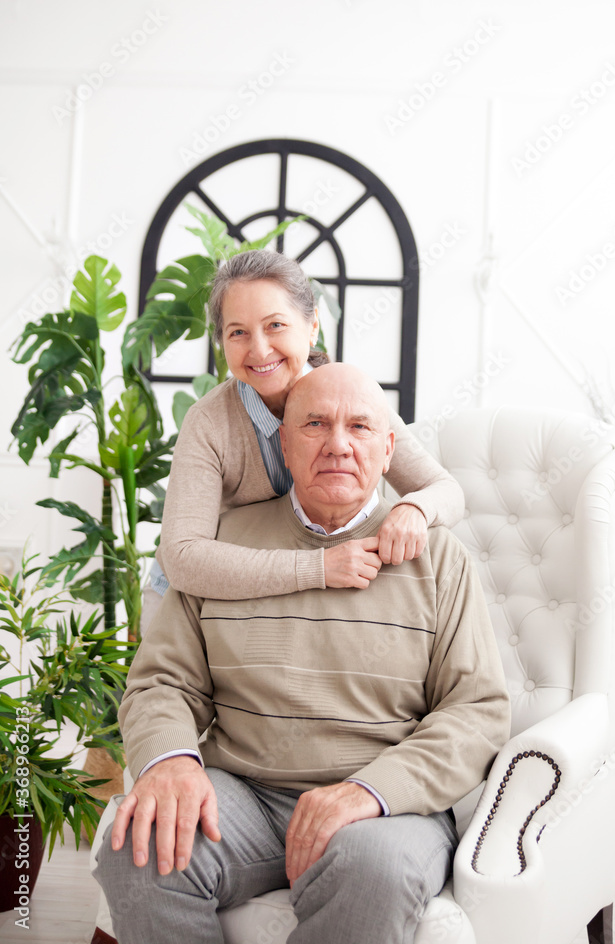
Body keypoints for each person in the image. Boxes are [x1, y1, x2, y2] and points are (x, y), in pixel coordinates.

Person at [94, 363, 511, 944]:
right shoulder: (223, 545)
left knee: (376, 871)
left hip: (383, 805)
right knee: (139, 848)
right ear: (285, 444)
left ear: (388, 448)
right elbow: (161, 682)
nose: (337, 445)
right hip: (246, 795)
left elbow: (477, 709)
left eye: (359, 427)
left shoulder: (437, 558)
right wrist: (170, 761)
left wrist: (366, 792)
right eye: (315, 424)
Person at [154, 249, 465, 604]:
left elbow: (446, 490)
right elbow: (182, 559)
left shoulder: (350, 398)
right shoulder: (209, 422)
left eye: (275, 325)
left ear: (312, 325)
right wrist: (317, 567)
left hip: (301, 595)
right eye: (238, 332)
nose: (259, 350)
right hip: (200, 600)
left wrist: (415, 509)